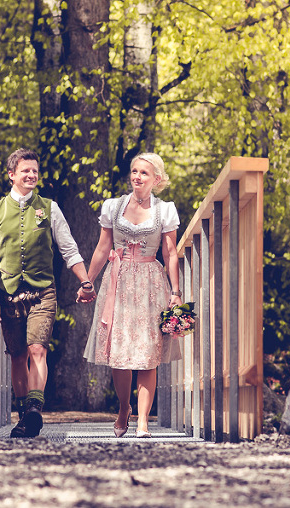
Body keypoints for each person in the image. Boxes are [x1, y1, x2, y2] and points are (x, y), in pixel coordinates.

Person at [0, 148, 95, 438]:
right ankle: (24, 418)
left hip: (43, 291)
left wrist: (85, 281)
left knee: (38, 349)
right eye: (25, 171)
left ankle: (34, 407)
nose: (31, 175)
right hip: (8, 294)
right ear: (11, 175)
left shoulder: (50, 208)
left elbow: (68, 248)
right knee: (17, 355)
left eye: (35, 171)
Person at [80, 152, 182, 438]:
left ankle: (143, 421)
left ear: (156, 180)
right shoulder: (113, 207)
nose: (137, 177)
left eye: (144, 173)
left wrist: (175, 292)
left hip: (151, 283)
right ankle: (124, 407)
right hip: (119, 281)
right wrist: (88, 281)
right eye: (134, 171)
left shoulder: (166, 210)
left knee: (149, 354)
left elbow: (170, 252)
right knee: (120, 353)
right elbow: (102, 248)